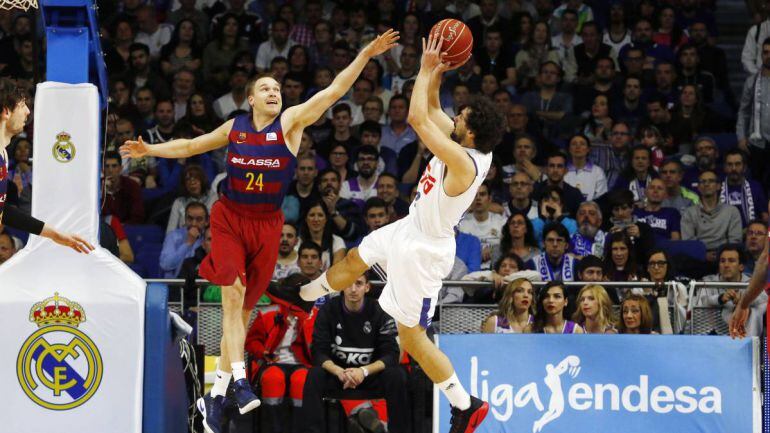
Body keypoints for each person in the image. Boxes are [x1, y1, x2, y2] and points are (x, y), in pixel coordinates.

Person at [120, 30, 400, 433]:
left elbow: (334, 91)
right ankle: (239, 381)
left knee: (242, 313)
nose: (274, 92)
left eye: (278, 89)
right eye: (266, 88)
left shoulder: (291, 124)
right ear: (250, 99)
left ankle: (215, 397)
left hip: (267, 225)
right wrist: (150, 150)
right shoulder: (234, 127)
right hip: (230, 218)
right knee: (232, 298)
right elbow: (190, 146)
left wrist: (365, 53)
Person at [290, 34, 505, 432]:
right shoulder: (467, 141)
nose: (455, 119)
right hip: (410, 227)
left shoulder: (465, 161)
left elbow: (418, 119)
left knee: (412, 338)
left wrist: (423, 68)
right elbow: (433, 109)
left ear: (471, 134)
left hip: (425, 251)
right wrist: (437, 72)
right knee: (356, 258)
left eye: (461, 118)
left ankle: (465, 404)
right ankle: (303, 295)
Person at [298, 272, 409, 433]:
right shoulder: (328, 310)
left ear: (367, 287)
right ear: (342, 286)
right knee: (315, 375)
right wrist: (339, 371)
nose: (353, 289)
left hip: (369, 374)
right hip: (338, 375)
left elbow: (391, 354)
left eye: (358, 284)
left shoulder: (380, 311)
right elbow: (318, 351)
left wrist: (363, 371)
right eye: (348, 284)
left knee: (396, 375)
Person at [0, 78, 93, 254]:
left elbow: (4, 211)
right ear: (6, 111)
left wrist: (54, 234)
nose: (28, 111)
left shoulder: (3, 153)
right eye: (22, 105)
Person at [699, 245, 765, 336]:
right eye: (722, 261)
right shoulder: (708, 282)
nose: (726, 265)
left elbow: (764, 300)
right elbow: (701, 302)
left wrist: (744, 300)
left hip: (744, 331)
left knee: (755, 310)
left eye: (731, 261)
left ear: (741, 267)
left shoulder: (752, 283)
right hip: (713, 334)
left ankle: (749, 342)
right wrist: (720, 299)